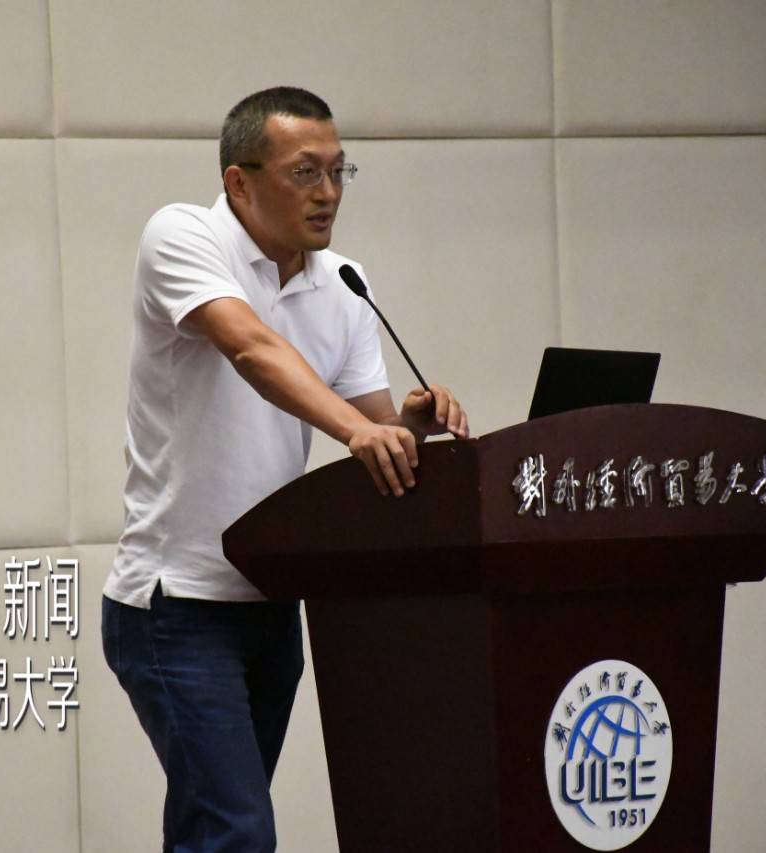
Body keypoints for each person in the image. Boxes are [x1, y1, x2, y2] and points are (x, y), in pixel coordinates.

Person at [101, 86, 469, 853]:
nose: (328, 193)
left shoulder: (344, 282)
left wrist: (410, 426)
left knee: (209, 831)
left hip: (274, 601)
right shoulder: (183, 235)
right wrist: (356, 430)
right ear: (240, 182)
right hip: (177, 606)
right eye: (305, 173)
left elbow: (377, 435)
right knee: (238, 832)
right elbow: (251, 348)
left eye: (339, 171)